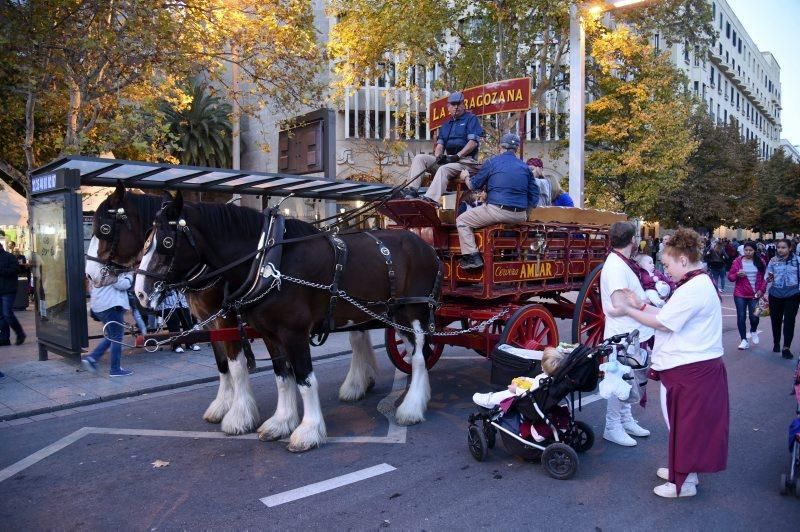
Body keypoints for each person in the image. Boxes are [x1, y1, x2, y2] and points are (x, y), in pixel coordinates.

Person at [615, 228, 728, 499]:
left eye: (667, 265)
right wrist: (640, 305)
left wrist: (628, 309)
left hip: (691, 369)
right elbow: (667, 314)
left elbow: (663, 321)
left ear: (683, 260)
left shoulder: (695, 287)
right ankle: (684, 471)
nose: (666, 271)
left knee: (685, 426)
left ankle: (684, 481)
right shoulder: (697, 283)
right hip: (692, 367)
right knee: (683, 425)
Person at [599, 221, 652, 447]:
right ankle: (612, 426)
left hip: (630, 332)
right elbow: (618, 304)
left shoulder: (619, 263)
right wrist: (644, 303)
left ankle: (625, 419)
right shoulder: (617, 266)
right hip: (623, 334)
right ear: (632, 240)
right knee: (619, 380)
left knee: (628, 379)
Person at [454, 133, 538, 270]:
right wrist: (526, 214)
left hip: (498, 211)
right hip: (520, 215)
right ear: (515, 149)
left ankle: (472, 257)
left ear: (501, 147)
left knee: (462, 220)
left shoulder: (492, 163)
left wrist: (466, 177)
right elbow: (534, 196)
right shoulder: (525, 167)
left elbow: (473, 186)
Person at [405, 91, 484, 201]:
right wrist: (438, 156)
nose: (456, 107)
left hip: (467, 162)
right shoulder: (446, 125)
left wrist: (457, 156)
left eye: (459, 104)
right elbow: (440, 145)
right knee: (419, 158)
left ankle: (430, 199)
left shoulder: (471, 119)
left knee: (444, 168)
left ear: (463, 104)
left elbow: (473, 143)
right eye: (453, 104)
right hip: (450, 160)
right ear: (448, 107)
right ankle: (412, 191)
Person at [472, 346, 565, 408]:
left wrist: (515, 389)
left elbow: (531, 392)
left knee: (508, 393)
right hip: (540, 397)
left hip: (531, 401)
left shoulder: (543, 380)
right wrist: (526, 379)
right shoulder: (553, 378)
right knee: (517, 387)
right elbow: (536, 385)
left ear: (543, 366)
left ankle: (489, 400)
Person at [82, 271, 134, 377]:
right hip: (111, 306)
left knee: (111, 336)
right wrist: (129, 276)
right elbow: (122, 284)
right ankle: (115, 369)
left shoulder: (98, 269)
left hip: (100, 306)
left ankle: (92, 358)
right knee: (116, 337)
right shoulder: (111, 270)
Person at [727, 241, 767, 350]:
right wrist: (736, 274)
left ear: (755, 251)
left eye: (750, 250)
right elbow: (730, 277)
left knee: (755, 316)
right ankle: (743, 340)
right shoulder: (737, 262)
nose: (748, 252)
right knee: (741, 317)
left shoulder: (761, 261)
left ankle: (753, 331)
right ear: (743, 251)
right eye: (746, 250)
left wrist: (762, 290)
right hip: (740, 293)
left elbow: (765, 278)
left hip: (755, 294)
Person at [765, 238, 800, 359]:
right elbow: (767, 275)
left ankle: (786, 347)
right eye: (778, 247)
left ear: (790, 248)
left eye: (783, 247)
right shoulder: (773, 261)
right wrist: (768, 278)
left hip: (793, 295)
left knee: (790, 321)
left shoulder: (797, 261)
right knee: (776, 320)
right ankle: (776, 342)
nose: (780, 250)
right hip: (775, 294)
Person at [158, 289, 201, 353]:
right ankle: (176, 345)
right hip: (168, 304)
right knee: (174, 322)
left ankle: (190, 343)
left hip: (182, 302)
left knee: (187, 322)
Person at [0, 243, 25, 346]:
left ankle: (20, 334)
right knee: (1, 316)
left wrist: (1, 271)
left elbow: (16, 270)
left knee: (7, 314)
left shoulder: (9, 257)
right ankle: (4, 339)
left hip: (8, 290)